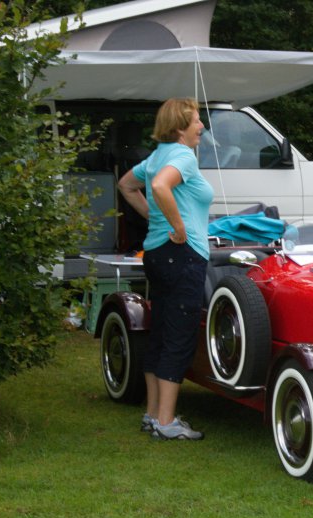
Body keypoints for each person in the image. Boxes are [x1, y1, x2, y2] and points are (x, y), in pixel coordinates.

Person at [117, 97, 214, 441]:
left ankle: (153, 414)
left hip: (158, 253)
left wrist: (154, 217)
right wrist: (178, 225)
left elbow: (126, 185)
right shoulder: (183, 156)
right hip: (182, 254)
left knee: (160, 330)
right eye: (196, 120)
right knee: (179, 334)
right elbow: (160, 186)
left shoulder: (157, 156)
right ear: (179, 128)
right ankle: (166, 421)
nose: (201, 126)